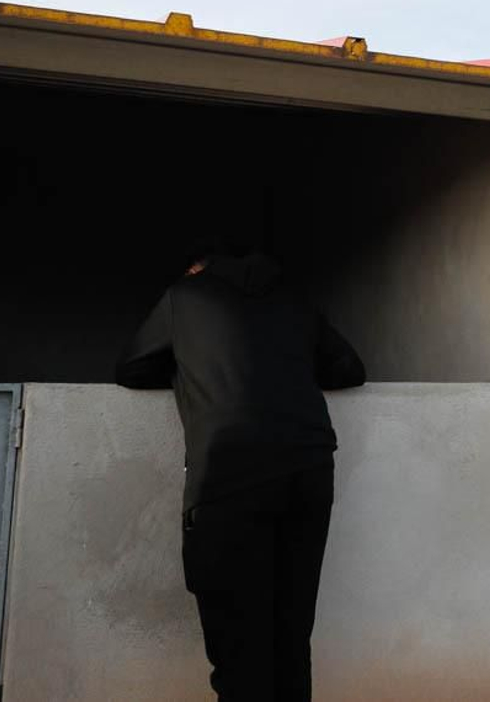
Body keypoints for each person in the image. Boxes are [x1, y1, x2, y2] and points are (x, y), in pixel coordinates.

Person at [116, 245, 366, 702]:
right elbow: (351, 368)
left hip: (229, 477)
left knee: (238, 652)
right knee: (290, 642)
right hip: (308, 470)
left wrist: (192, 368)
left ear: (199, 270)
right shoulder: (296, 299)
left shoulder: (185, 297)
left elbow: (130, 367)